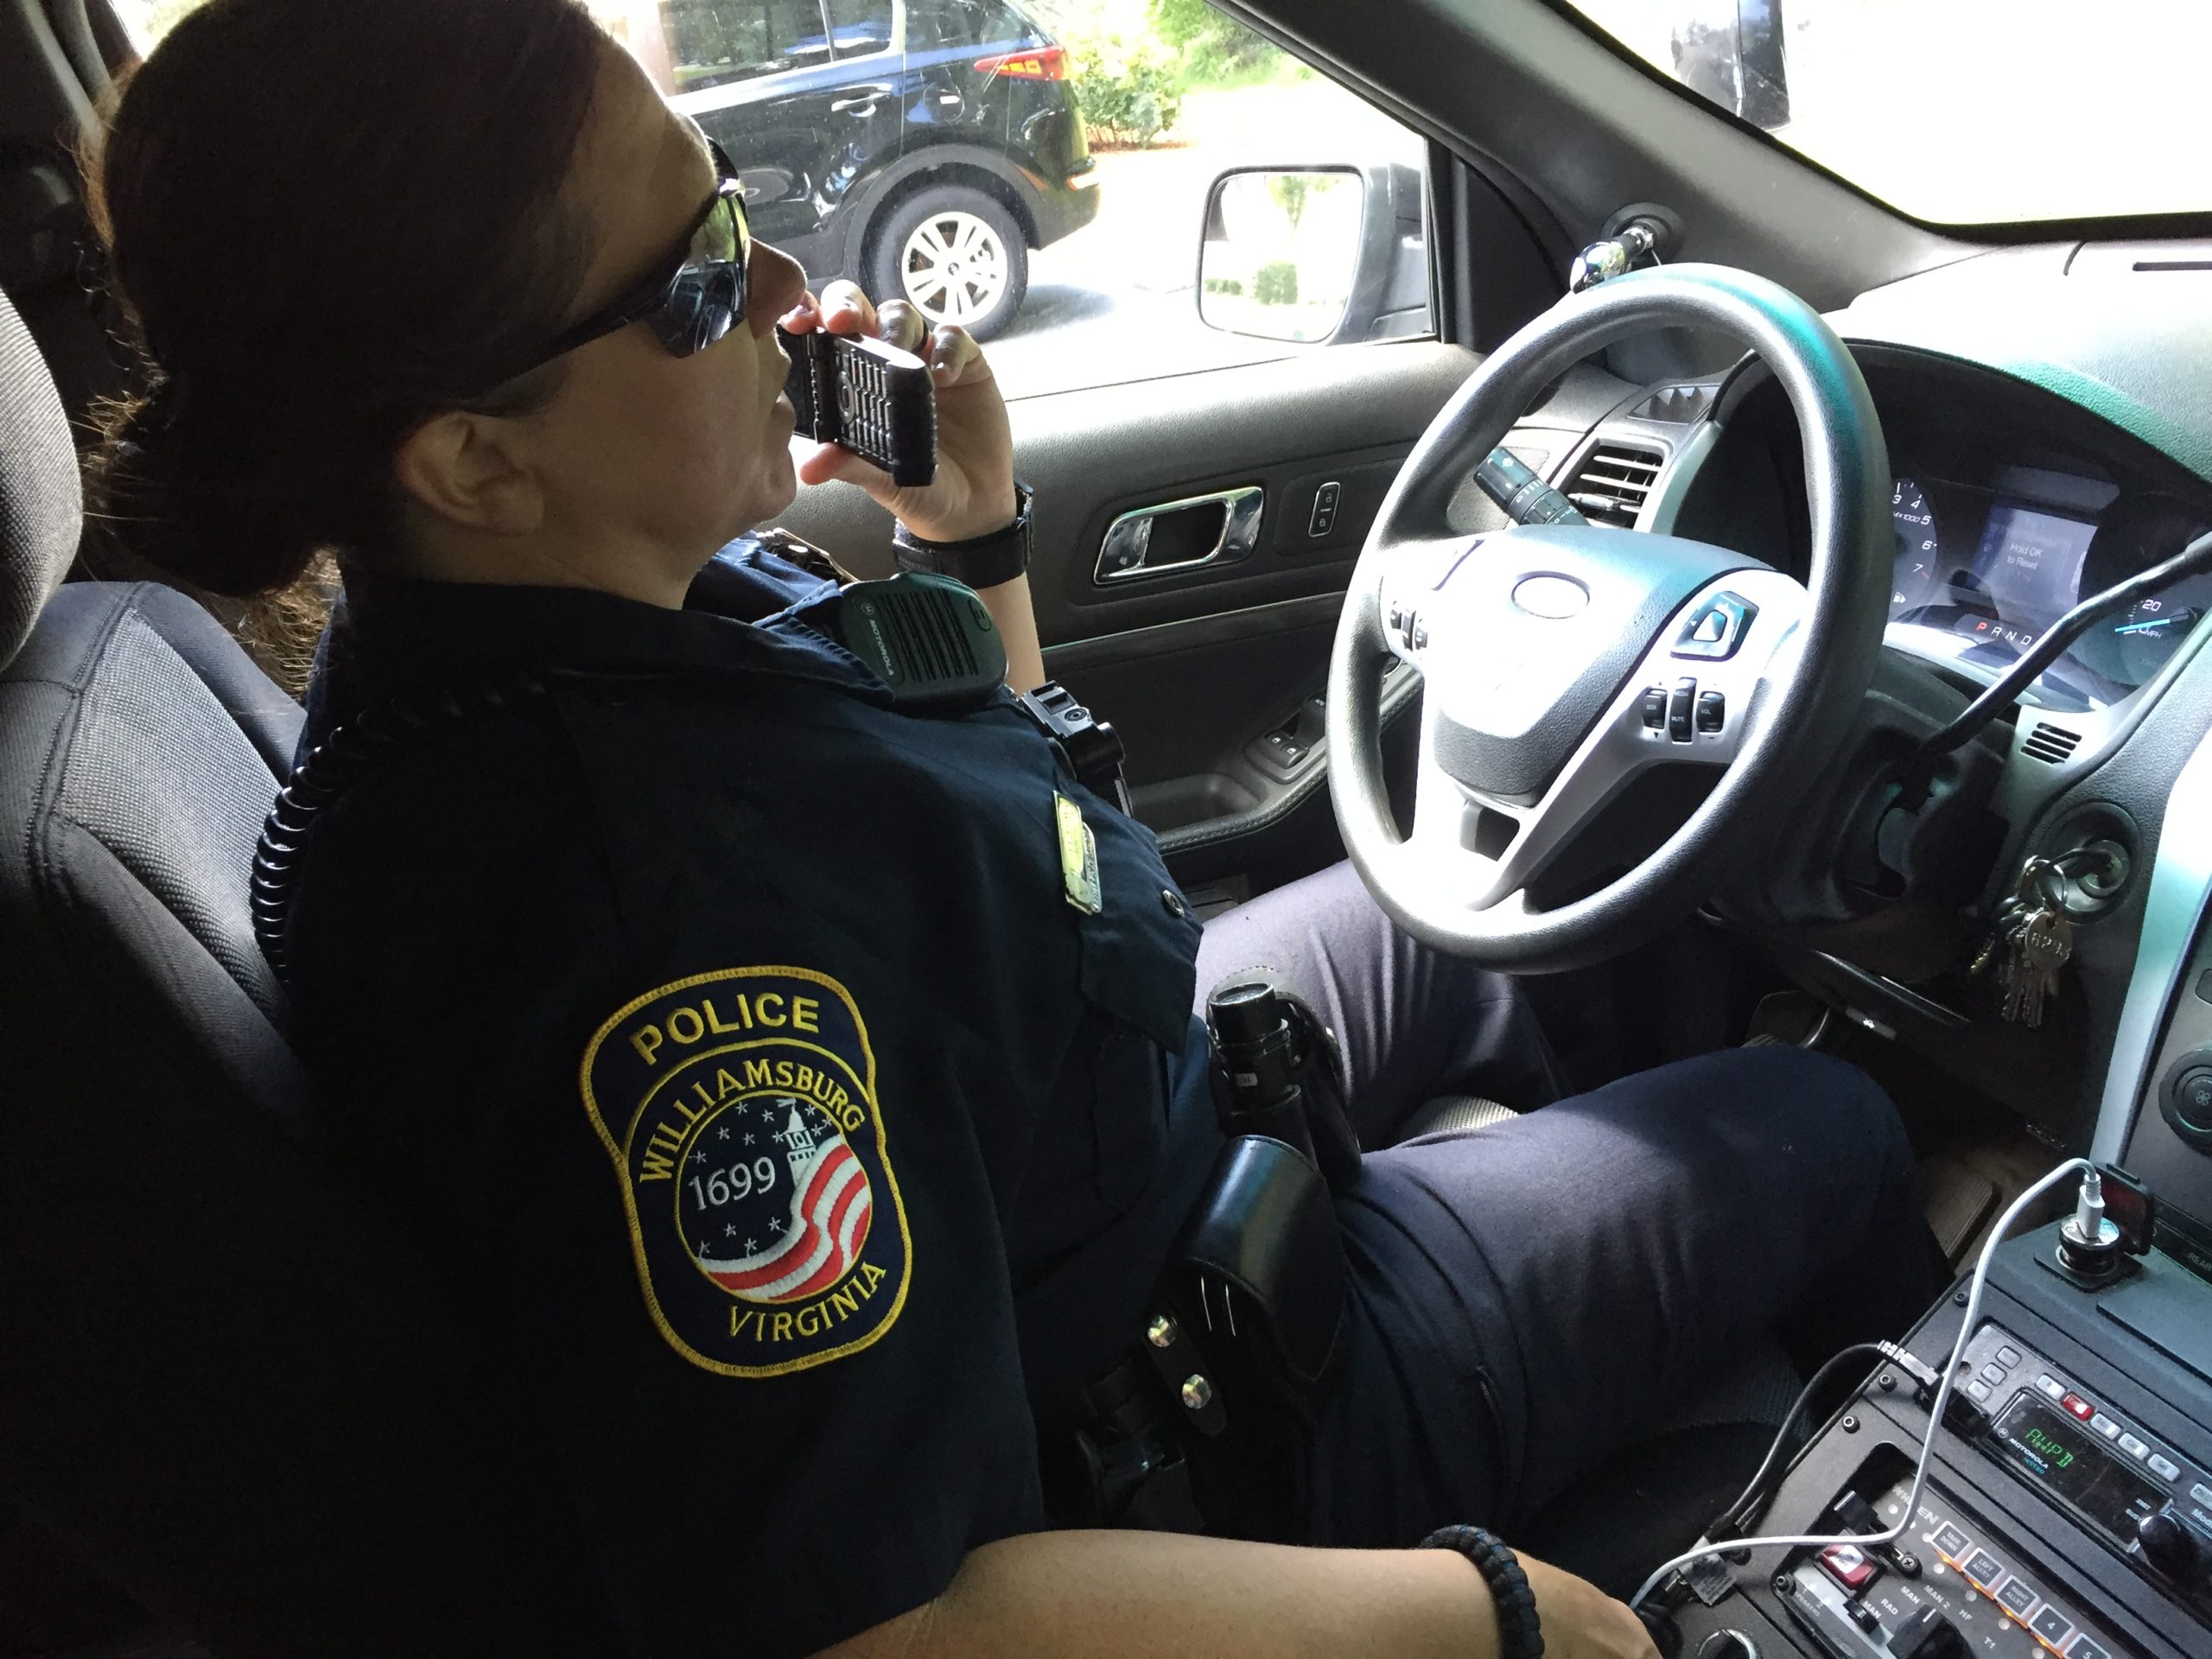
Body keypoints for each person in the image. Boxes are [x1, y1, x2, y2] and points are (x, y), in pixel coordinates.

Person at [85, 3, 1947, 1654]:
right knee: (1835, 1119)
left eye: (724, 203)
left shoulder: (563, 639)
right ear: (472, 459)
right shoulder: (675, 952)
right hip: (1208, 1400)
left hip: (1101, 1103)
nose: (769, 281)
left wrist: (969, 535)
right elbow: (888, 1620)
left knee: (1514, 922)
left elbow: (978, 822)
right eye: (685, 282)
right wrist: (1499, 1611)